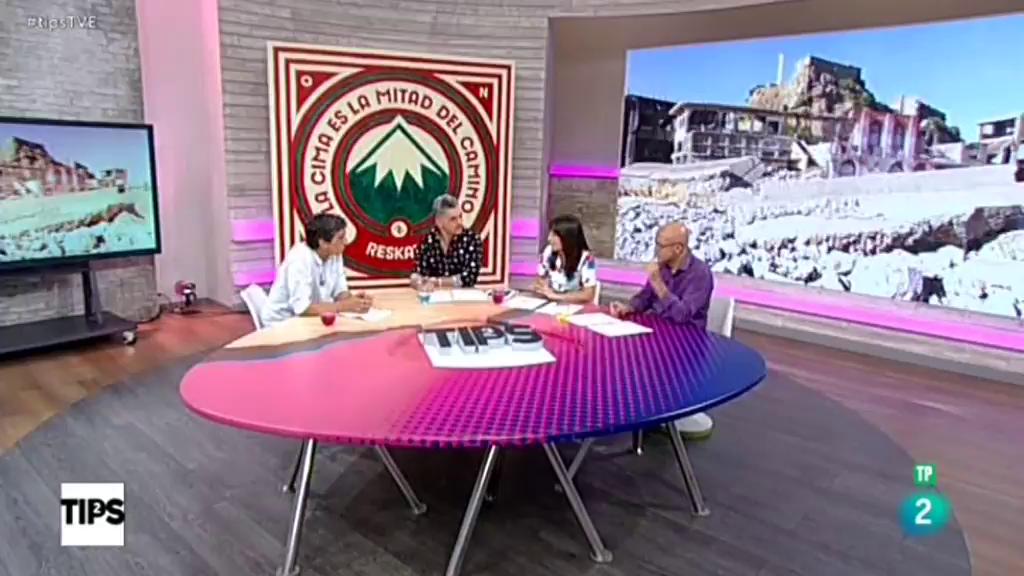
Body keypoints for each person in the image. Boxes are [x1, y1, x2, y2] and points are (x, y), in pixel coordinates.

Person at [610, 222, 716, 439]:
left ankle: (658, 411)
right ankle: (637, 410)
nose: (656, 250)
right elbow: (645, 297)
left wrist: (658, 283)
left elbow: (682, 315)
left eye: (661, 245)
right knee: (618, 353)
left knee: (644, 363)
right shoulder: (663, 267)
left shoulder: (700, 274)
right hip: (656, 332)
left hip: (686, 341)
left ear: (678, 248)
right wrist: (629, 307)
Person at [261, 213, 372, 327]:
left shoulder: (335, 254)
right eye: (340, 238)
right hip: (281, 323)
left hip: (310, 320)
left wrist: (355, 301)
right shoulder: (299, 259)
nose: (346, 241)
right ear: (322, 242)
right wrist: (344, 306)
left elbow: (340, 292)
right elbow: (303, 309)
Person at [412, 194, 484, 289]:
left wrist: (437, 282)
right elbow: (418, 274)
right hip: (435, 295)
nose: (459, 222)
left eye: (460, 216)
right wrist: (418, 282)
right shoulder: (427, 242)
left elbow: (469, 278)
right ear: (439, 222)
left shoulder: (472, 240)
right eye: (453, 219)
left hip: (463, 296)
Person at [533, 214, 598, 304]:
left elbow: (588, 295)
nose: (549, 239)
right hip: (551, 304)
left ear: (567, 237)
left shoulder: (586, 258)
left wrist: (555, 296)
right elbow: (539, 280)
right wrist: (542, 286)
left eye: (554, 235)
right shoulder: (548, 251)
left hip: (574, 306)